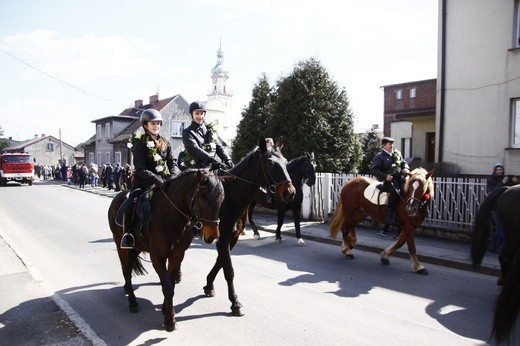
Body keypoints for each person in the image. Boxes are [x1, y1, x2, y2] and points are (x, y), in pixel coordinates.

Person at [118, 108, 178, 249]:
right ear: (145, 125)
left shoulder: (165, 142)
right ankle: (128, 236)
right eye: (153, 124)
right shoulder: (139, 141)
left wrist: (173, 176)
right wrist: (156, 179)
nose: (156, 126)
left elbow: (172, 161)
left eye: (158, 123)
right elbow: (140, 168)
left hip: (164, 182)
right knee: (130, 204)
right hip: (143, 182)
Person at [179, 101, 233, 171]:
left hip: (211, 168)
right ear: (191, 114)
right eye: (197, 113)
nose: (200, 116)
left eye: (202, 113)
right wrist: (212, 160)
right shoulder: (187, 132)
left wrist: (227, 159)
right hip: (196, 169)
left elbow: (218, 146)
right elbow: (195, 149)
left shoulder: (209, 130)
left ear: (204, 114)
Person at [370, 136, 410, 225]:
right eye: (390, 144)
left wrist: (406, 168)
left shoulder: (397, 154)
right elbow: (373, 170)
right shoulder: (379, 157)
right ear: (384, 145)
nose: (392, 145)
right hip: (388, 181)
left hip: (400, 178)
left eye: (392, 144)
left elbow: (404, 163)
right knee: (396, 191)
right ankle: (389, 213)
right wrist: (385, 176)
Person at [487, 164, 518, 252]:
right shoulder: (491, 180)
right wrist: (502, 183)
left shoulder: (506, 179)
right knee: (500, 226)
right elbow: (493, 191)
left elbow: (513, 191)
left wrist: (516, 183)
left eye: (500, 170)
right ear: (495, 171)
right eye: (497, 170)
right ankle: (501, 246)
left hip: (507, 207)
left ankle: (493, 244)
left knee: (504, 226)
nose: (499, 171)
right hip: (496, 206)